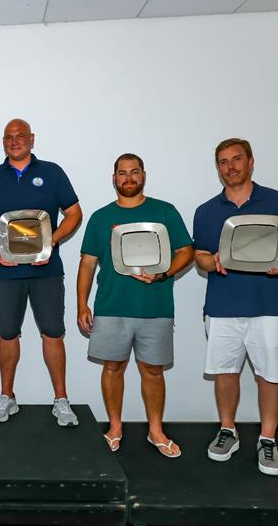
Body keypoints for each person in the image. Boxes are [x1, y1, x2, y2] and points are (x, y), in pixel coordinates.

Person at [193, 138, 278, 476]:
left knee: (271, 375)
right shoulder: (206, 210)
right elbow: (200, 257)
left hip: (271, 305)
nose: (231, 166)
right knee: (225, 372)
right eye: (223, 162)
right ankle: (227, 430)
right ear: (218, 168)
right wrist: (212, 262)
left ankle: (267, 439)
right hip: (222, 305)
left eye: (236, 159)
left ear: (251, 161)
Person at [77, 153, 194, 457]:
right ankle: (115, 426)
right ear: (113, 178)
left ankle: (156, 430)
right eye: (122, 173)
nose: (128, 177)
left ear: (144, 175)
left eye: (134, 172)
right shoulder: (100, 217)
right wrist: (81, 304)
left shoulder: (164, 212)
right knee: (113, 367)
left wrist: (164, 273)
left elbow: (186, 251)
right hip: (111, 306)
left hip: (155, 307)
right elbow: (88, 263)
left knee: (153, 370)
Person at [0, 119, 83, 426]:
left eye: (20, 136)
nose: (15, 141)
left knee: (52, 332)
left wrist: (52, 242)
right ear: (3, 142)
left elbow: (74, 213)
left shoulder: (52, 172)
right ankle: (7, 397)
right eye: (9, 137)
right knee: (7, 333)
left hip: (46, 270)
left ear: (32, 139)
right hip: (5, 272)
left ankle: (61, 400)